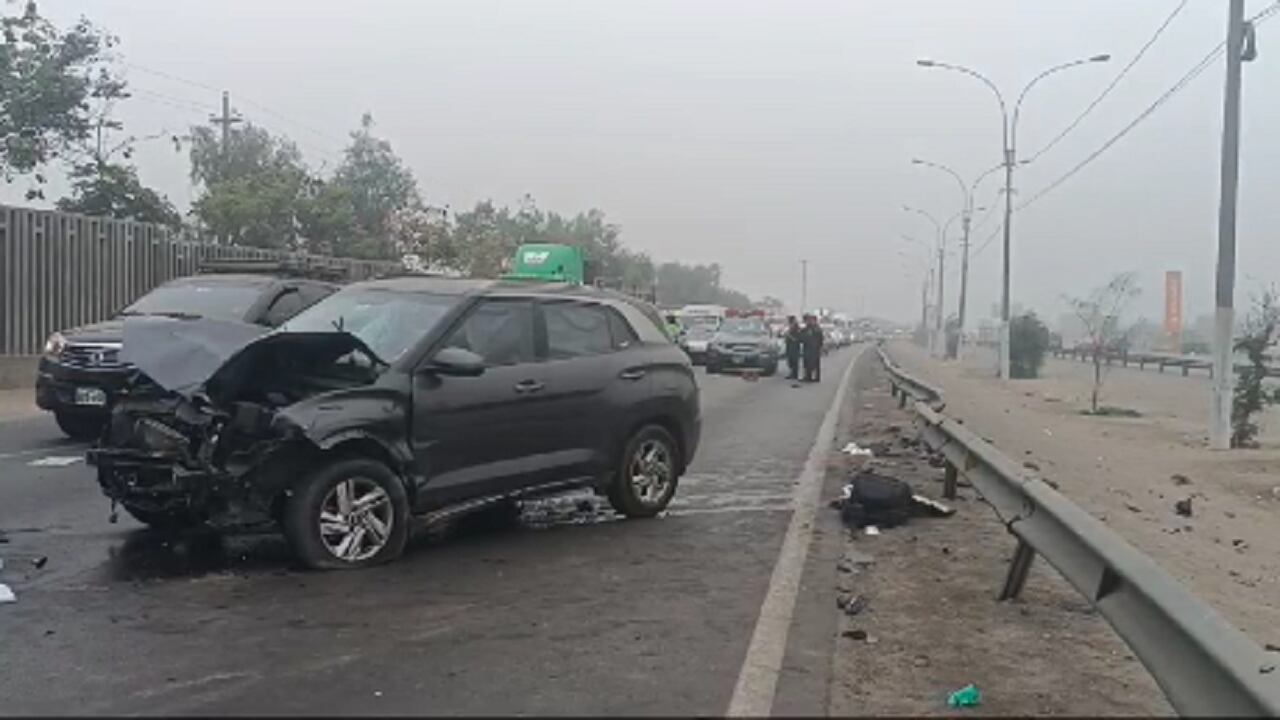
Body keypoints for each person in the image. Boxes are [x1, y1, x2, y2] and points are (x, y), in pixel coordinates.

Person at [799, 313, 824, 382]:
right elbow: (801, 336)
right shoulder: (808, 328)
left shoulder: (815, 329)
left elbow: (820, 339)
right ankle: (809, 376)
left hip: (813, 348)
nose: (808, 322)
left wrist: (820, 347)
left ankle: (814, 377)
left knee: (814, 363)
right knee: (808, 363)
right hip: (809, 348)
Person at [783, 315, 801, 380]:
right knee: (790, 359)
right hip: (789, 345)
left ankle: (794, 374)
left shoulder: (796, 326)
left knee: (794, 359)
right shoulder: (790, 326)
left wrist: (789, 336)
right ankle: (792, 373)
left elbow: (797, 337)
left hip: (794, 345)